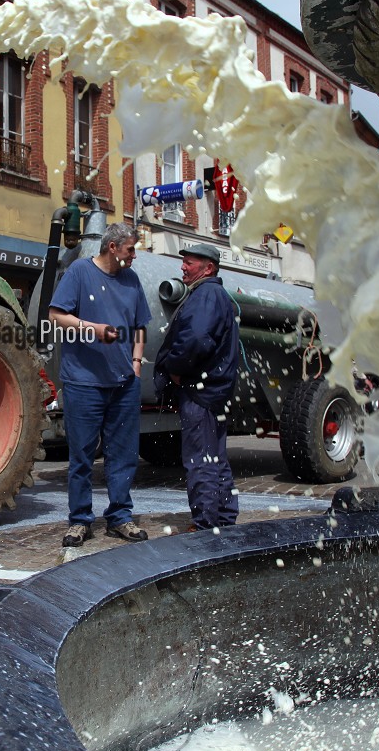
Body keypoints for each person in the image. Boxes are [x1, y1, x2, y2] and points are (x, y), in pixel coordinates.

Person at [48, 222, 151, 546]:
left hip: (123, 384)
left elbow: (139, 327)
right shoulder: (79, 272)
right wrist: (93, 329)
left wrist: (136, 364)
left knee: (123, 454)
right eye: (131, 249)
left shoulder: (131, 280)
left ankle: (120, 516)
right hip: (83, 383)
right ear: (113, 248)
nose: (134, 256)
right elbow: (55, 316)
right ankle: (80, 520)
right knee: (82, 456)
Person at [153, 243, 240, 531]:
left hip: (199, 392)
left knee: (200, 459)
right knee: (216, 457)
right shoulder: (215, 295)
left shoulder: (206, 295)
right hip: (214, 391)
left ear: (208, 268)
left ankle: (204, 523)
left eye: (189, 263)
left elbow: (197, 339)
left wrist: (175, 370)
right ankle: (224, 517)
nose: (183, 267)